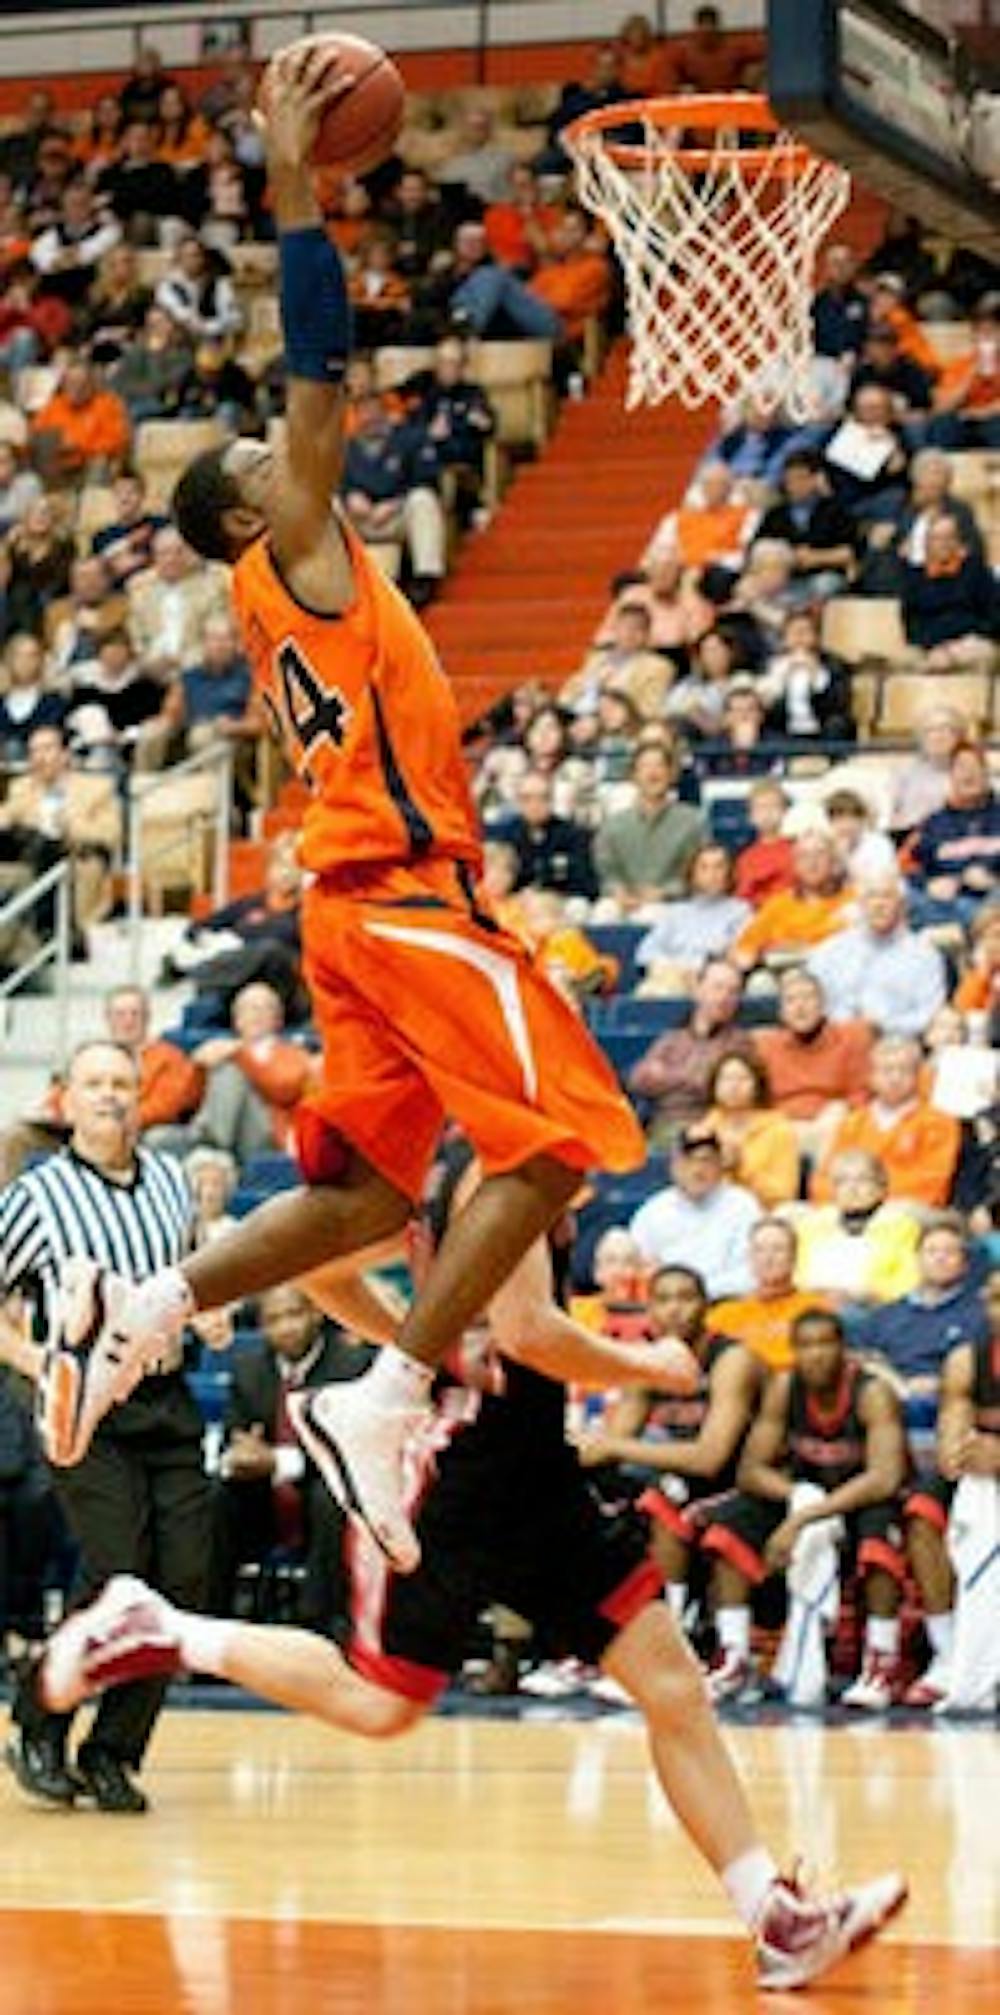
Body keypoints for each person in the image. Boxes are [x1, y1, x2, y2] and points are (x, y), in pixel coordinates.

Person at [44, 47, 646, 1580]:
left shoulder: (298, 592)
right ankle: (386, 1398)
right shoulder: (293, 541)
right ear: (251, 509)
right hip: (399, 891)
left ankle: (155, 1301)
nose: (279, 446)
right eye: (258, 461)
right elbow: (322, 374)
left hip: (352, 905)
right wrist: (299, 184)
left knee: (370, 1189)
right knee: (563, 1137)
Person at [25, 1138, 906, 1990]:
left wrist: (425, 1338)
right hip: (455, 1470)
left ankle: (777, 1921)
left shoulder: (492, 1169)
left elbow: (335, 1272)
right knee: (380, 1702)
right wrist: (656, 1367)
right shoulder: (499, 1165)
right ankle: (165, 1628)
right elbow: (525, 1331)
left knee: (671, 1684)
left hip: (532, 1468)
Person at [0, 1038, 210, 1812]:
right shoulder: (37, 1195)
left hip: (166, 1394)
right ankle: (38, 1722)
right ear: (67, 1098)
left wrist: (211, 1316)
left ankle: (114, 1751)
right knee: (115, 1568)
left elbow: (191, 1278)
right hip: (85, 1406)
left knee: (182, 1579)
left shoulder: (172, 1182)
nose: (111, 1095)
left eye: (123, 1082)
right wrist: (38, 1361)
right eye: (94, 1082)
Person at [701, 1309, 908, 1710]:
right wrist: (798, 1496)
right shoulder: (784, 1387)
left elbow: (885, 1477)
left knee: (878, 1542)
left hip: (861, 1499)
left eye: (826, 1344)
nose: (816, 1355)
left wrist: (805, 1516)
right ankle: (735, 1655)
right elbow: (751, 1470)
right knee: (728, 1527)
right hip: (805, 1496)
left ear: (844, 1349)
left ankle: (882, 1661)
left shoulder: (871, 1393)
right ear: (793, 1351)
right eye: (806, 1346)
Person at [576, 1262, 762, 1636]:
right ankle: (588, 1635)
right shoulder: (651, 1359)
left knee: (660, 1498)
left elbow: (711, 1457)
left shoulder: (731, 1359)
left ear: (706, 1306)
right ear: (650, 1311)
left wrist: (617, 1446)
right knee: (581, 1496)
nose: (675, 1309)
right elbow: (615, 1440)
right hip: (681, 1474)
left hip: (738, 1482)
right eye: (663, 1300)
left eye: (685, 1298)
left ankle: (670, 1632)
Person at [209, 1283, 371, 1622]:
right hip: (266, 1503)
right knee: (216, 1497)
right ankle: (212, 1619)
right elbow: (232, 1443)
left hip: (325, 1505)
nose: (285, 1327)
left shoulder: (352, 1367)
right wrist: (238, 1458)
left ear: (317, 1313)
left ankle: (317, 1622)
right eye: (273, 1319)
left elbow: (350, 1454)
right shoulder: (249, 1369)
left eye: (294, 1314)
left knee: (330, 1498)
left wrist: (277, 1461)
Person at [903, 1309, 1000, 1714]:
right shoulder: (966, 1360)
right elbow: (949, 1453)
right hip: (981, 1470)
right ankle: (949, 1653)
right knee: (923, 1510)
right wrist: (963, 1451)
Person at [812, 1034, 960, 1211]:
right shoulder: (853, 1122)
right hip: (846, 1208)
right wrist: (849, 1200)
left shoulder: (939, 1123)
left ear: (918, 1075)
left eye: (904, 1070)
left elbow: (933, 1183)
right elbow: (824, 1178)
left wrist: (870, 1196)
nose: (895, 1078)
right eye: (887, 1070)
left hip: (906, 1210)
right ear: (872, 1076)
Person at [628, 956, 754, 1148]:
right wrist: (690, 1077)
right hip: (663, 1125)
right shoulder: (673, 1039)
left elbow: (712, 1087)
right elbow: (638, 1079)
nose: (724, 998)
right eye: (717, 988)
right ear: (699, 989)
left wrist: (666, 1076)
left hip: (711, 1128)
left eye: (733, 992)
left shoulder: (740, 1043)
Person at [629, 1125, 761, 1300]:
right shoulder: (653, 1211)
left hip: (727, 1306)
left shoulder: (743, 1206)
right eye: (688, 1160)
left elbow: (750, 1275)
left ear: (720, 1164)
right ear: (673, 1166)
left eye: (706, 1160)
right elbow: (639, 1270)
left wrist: (692, 1293)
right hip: (666, 1308)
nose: (697, 1170)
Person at [753, 967, 871, 1162]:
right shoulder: (766, 1046)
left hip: (832, 1123)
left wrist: (840, 1111)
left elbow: (861, 1094)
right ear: (781, 1012)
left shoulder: (851, 1037)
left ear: (823, 1005)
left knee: (837, 1118)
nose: (800, 1007)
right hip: (783, 1125)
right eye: (791, 1000)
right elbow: (758, 1099)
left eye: (808, 998)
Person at [806, 874, 947, 1038]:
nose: (879, 904)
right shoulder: (828, 952)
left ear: (902, 906)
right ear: (859, 905)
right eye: (871, 897)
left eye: (887, 896)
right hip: (835, 1043)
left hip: (897, 1048)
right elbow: (812, 1005)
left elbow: (930, 1014)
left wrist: (881, 1027)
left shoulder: (924, 956)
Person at [795, 1150, 921, 1308]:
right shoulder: (811, 1226)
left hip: (870, 1306)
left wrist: (867, 1294)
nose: (852, 1188)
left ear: (882, 1186)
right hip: (814, 1303)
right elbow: (797, 1276)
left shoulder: (902, 1226)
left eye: (862, 1180)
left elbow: (906, 1282)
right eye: (842, 1181)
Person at [594, 740, 707, 915]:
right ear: (633, 775)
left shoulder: (693, 821)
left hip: (674, 904)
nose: (652, 773)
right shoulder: (613, 825)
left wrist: (664, 893)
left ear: (671, 774)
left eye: (659, 766)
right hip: (624, 902)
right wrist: (619, 892)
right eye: (645, 766)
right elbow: (607, 871)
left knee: (651, 912)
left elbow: (702, 872)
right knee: (605, 911)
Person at [712, 1218, 822, 1374]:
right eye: (759, 1250)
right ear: (749, 1258)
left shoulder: (815, 1309)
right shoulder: (724, 1314)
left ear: (794, 1257)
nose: (768, 1258)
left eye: (778, 1249)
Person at [703, 1051, 800, 1210]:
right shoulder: (704, 1129)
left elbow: (784, 1194)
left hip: (763, 1213)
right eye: (726, 1079)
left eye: (742, 1079)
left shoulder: (779, 1130)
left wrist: (742, 1167)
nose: (733, 1085)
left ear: (757, 1085)